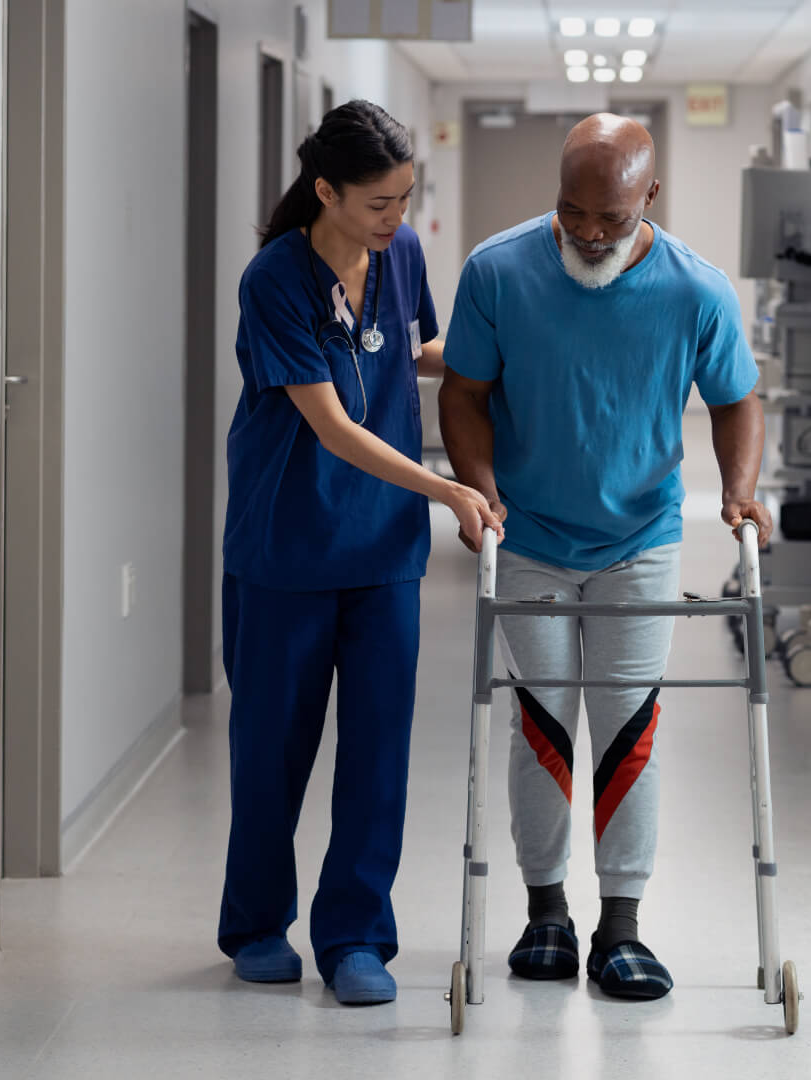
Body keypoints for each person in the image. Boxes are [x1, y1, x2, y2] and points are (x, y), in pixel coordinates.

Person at [439, 113, 773, 1001]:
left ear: (648, 199)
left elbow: (737, 400)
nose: (588, 232)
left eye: (610, 219)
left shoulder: (696, 291)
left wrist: (739, 491)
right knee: (543, 726)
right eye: (572, 211)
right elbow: (465, 394)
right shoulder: (499, 270)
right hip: (531, 538)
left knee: (629, 731)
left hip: (640, 540)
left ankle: (620, 926)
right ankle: (546, 911)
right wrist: (478, 488)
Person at [218, 100, 502, 1006]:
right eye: (378, 203)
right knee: (273, 750)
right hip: (287, 547)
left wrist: (509, 353)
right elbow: (334, 426)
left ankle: (355, 938)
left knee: (379, 754)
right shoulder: (273, 279)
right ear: (326, 190)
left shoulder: (400, 254)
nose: (396, 219)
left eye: (405, 200)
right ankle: (259, 925)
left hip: (382, 551)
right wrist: (451, 489)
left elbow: (413, 350)